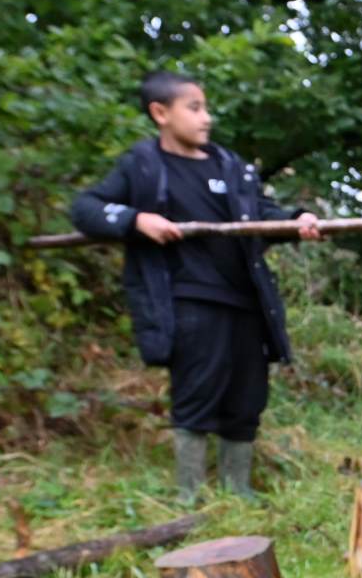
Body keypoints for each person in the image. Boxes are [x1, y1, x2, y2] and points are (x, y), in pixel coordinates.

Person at [70, 71, 322, 503]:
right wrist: (137, 220)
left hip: (248, 301)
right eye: (195, 108)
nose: (206, 118)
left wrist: (295, 220)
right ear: (160, 113)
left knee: (248, 396)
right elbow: (85, 207)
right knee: (197, 392)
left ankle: (237, 491)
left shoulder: (230, 165)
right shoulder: (144, 166)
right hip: (190, 301)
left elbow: (260, 213)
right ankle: (188, 496)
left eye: (206, 108)